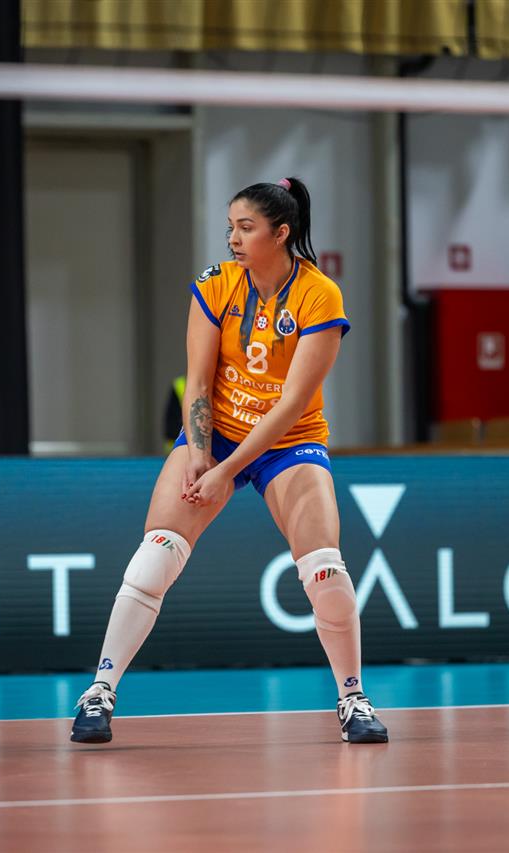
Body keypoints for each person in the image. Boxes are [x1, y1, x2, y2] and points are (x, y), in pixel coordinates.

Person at [71, 177, 387, 745]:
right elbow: (196, 380)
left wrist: (227, 471)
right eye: (230, 228)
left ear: (281, 233)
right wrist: (200, 454)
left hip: (289, 441)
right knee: (154, 557)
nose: (233, 239)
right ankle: (99, 691)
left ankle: (353, 698)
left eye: (246, 228)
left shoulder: (319, 295)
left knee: (325, 569)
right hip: (215, 435)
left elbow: (292, 404)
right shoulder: (215, 284)